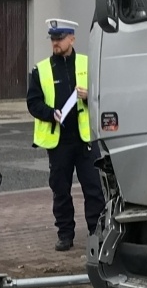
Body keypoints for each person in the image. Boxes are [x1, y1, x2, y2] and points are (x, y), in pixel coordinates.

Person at [27, 18, 103, 252]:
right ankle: (65, 234)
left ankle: (96, 232)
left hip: (84, 139)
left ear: (72, 39)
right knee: (60, 189)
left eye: (60, 39)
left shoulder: (87, 64)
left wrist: (89, 95)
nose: (55, 43)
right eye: (53, 39)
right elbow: (33, 103)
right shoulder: (42, 69)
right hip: (58, 140)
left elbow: (103, 95)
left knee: (93, 188)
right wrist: (51, 114)